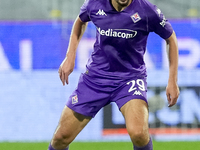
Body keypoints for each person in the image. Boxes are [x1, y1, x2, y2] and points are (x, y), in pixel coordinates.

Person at [48, 0, 179, 149]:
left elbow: (171, 38)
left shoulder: (147, 10)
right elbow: (80, 21)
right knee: (60, 138)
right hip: (95, 79)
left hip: (130, 79)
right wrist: (70, 56)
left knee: (139, 134)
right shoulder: (94, 4)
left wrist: (172, 81)